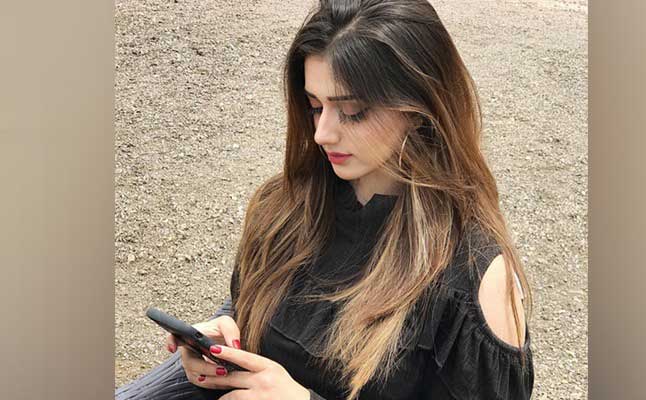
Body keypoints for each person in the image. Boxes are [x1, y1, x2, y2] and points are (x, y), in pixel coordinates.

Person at [115, 0, 535, 399]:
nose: (322, 134)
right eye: (315, 106)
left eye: (351, 111)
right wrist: (223, 345)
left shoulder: (474, 278)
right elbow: (252, 319)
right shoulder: (283, 209)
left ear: (420, 107)